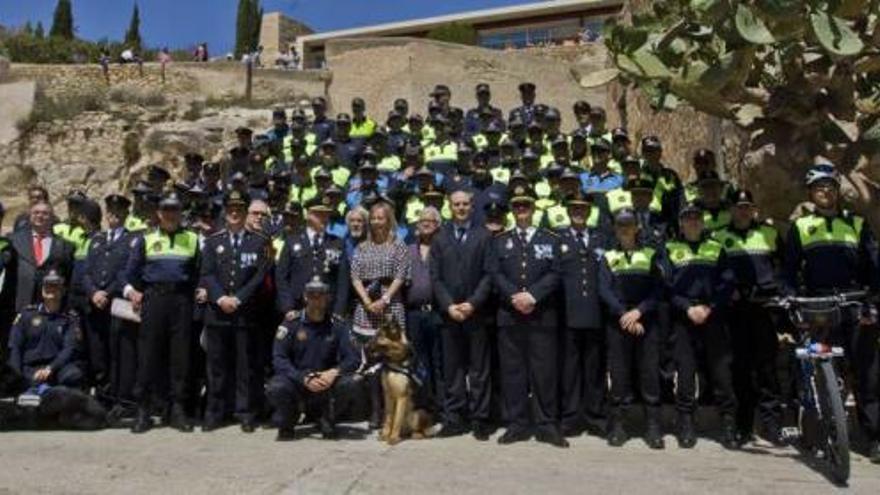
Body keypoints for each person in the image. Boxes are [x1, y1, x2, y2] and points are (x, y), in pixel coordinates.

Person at [782, 164, 880, 462]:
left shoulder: (858, 223)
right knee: (819, 371)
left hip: (854, 302)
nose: (825, 191)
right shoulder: (800, 227)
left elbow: (873, 268)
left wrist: (872, 301)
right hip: (818, 305)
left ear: (838, 191)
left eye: (830, 186)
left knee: (868, 373)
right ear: (811, 193)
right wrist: (788, 294)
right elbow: (787, 270)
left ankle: (874, 438)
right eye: (819, 187)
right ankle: (821, 431)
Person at [487, 184, 566, 447]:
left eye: (526, 205)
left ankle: (546, 424)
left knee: (544, 372)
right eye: (517, 206)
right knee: (513, 372)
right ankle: (516, 424)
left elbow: (556, 272)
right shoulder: (500, 241)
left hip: (542, 315)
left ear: (534, 209)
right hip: (510, 316)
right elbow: (495, 273)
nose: (521, 210)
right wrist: (515, 297)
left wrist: (532, 296)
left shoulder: (550, 239)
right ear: (512, 210)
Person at [124, 192, 201, 433]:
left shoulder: (192, 239)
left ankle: (177, 409)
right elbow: (130, 274)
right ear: (158, 213)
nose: (170, 214)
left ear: (180, 213)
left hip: (181, 300)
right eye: (166, 210)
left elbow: (199, 273)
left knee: (180, 357)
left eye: (175, 210)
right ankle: (144, 410)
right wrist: (131, 292)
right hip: (154, 299)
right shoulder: (145, 240)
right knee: (148, 355)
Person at [712, 189, 784, 445]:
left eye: (747, 206)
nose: (743, 210)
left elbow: (783, 269)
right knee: (739, 369)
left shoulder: (769, 233)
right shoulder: (718, 236)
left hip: (764, 307)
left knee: (766, 367)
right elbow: (715, 274)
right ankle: (743, 425)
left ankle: (772, 424)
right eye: (738, 206)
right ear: (730, 209)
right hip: (734, 310)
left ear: (753, 208)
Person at [665, 201, 738, 449]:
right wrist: (688, 307)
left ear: (703, 222)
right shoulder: (670, 248)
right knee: (685, 373)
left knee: (721, 373)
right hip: (683, 317)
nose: (692, 222)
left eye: (697, 218)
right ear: (681, 224)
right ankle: (685, 422)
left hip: (712, 315)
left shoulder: (716, 249)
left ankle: (728, 423)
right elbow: (666, 287)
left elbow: (727, 283)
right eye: (687, 218)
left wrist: (710, 307)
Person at [200, 190, 271, 433]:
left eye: (239, 210)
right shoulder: (212, 241)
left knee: (245, 366)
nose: (234, 213)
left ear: (244, 213)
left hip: (245, 313)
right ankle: (216, 411)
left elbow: (260, 275)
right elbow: (207, 274)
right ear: (225, 212)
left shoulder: (259, 241)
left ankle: (245, 412)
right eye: (230, 210)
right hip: (217, 313)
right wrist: (220, 298)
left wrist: (238, 299)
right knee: (217, 366)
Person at [430, 189, 494, 440]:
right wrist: (449, 306)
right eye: (456, 204)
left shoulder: (484, 235)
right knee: (453, 369)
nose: (461, 208)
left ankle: (480, 419)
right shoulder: (439, 237)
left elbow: (489, 273)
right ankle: (455, 417)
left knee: (479, 369)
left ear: (472, 206)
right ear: (449, 206)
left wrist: (473, 303)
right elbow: (435, 278)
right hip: (449, 315)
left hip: (476, 313)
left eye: (465, 204)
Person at [598, 207, 664, 448]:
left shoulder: (651, 254)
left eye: (629, 224)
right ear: (615, 229)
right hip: (618, 322)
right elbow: (603, 290)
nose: (625, 229)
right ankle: (618, 426)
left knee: (648, 374)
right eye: (620, 225)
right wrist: (623, 314)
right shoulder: (607, 257)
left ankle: (653, 427)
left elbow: (658, 289)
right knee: (619, 374)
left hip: (645, 320)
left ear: (637, 227)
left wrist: (639, 312)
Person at [267, 276, 361, 441]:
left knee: (352, 382)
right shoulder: (291, 323)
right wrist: (302, 378)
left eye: (321, 295)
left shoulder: (338, 324)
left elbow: (353, 358)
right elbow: (279, 358)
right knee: (276, 386)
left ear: (328, 297)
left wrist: (334, 372)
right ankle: (289, 421)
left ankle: (326, 418)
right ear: (305, 297)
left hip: (326, 381)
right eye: (312, 296)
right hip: (298, 380)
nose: (317, 300)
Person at [349, 199, 411, 428]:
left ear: (389, 220)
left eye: (381, 218)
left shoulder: (399, 245)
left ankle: (392, 411)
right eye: (373, 218)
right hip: (365, 309)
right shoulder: (361, 247)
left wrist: (384, 300)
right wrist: (367, 301)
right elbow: (355, 277)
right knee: (370, 363)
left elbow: (400, 276)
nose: (376, 222)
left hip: (390, 307)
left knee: (391, 361)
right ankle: (374, 410)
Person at [557, 190, 607, 437]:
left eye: (582, 208)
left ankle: (595, 415)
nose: (578, 212)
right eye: (574, 208)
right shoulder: (559, 239)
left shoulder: (600, 238)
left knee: (595, 368)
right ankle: (570, 416)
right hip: (568, 313)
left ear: (589, 212)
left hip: (595, 312)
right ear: (568, 212)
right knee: (570, 369)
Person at [82, 195, 134, 399]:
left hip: (117, 303)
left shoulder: (132, 240)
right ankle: (102, 394)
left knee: (118, 352)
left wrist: (108, 292)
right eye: (110, 211)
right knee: (97, 352)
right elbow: (86, 272)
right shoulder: (96, 239)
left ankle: (118, 395)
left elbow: (128, 272)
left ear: (126, 214)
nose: (113, 215)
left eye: (118, 211)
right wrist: (93, 292)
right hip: (95, 304)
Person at [7, 270, 83, 389]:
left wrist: (50, 368)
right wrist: (16, 374)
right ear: (42, 290)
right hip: (30, 367)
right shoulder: (27, 314)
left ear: (63, 291)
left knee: (73, 376)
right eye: (47, 286)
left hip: (57, 368)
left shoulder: (70, 318)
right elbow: (15, 346)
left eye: (55, 286)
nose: (51, 289)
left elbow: (69, 349)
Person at [276, 196, 346, 320]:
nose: (324, 219)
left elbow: (342, 280)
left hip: (327, 309)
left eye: (326, 215)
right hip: (297, 307)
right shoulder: (292, 240)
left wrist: (339, 310)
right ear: (308, 215)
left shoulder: (337, 243)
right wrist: (288, 307)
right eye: (319, 215)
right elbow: (281, 276)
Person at [404, 207, 444, 419]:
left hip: (438, 313)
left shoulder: (444, 248)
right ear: (417, 225)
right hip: (414, 315)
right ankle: (423, 406)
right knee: (419, 362)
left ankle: (441, 407)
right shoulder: (408, 250)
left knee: (439, 361)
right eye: (422, 220)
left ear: (438, 225)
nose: (426, 223)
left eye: (431, 220)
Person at [9, 201, 74, 313]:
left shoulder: (65, 246)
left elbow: (68, 276)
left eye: (45, 213)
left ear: (52, 218)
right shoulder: (14, 241)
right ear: (30, 216)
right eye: (36, 212)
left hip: (52, 306)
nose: (40, 216)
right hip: (20, 305)